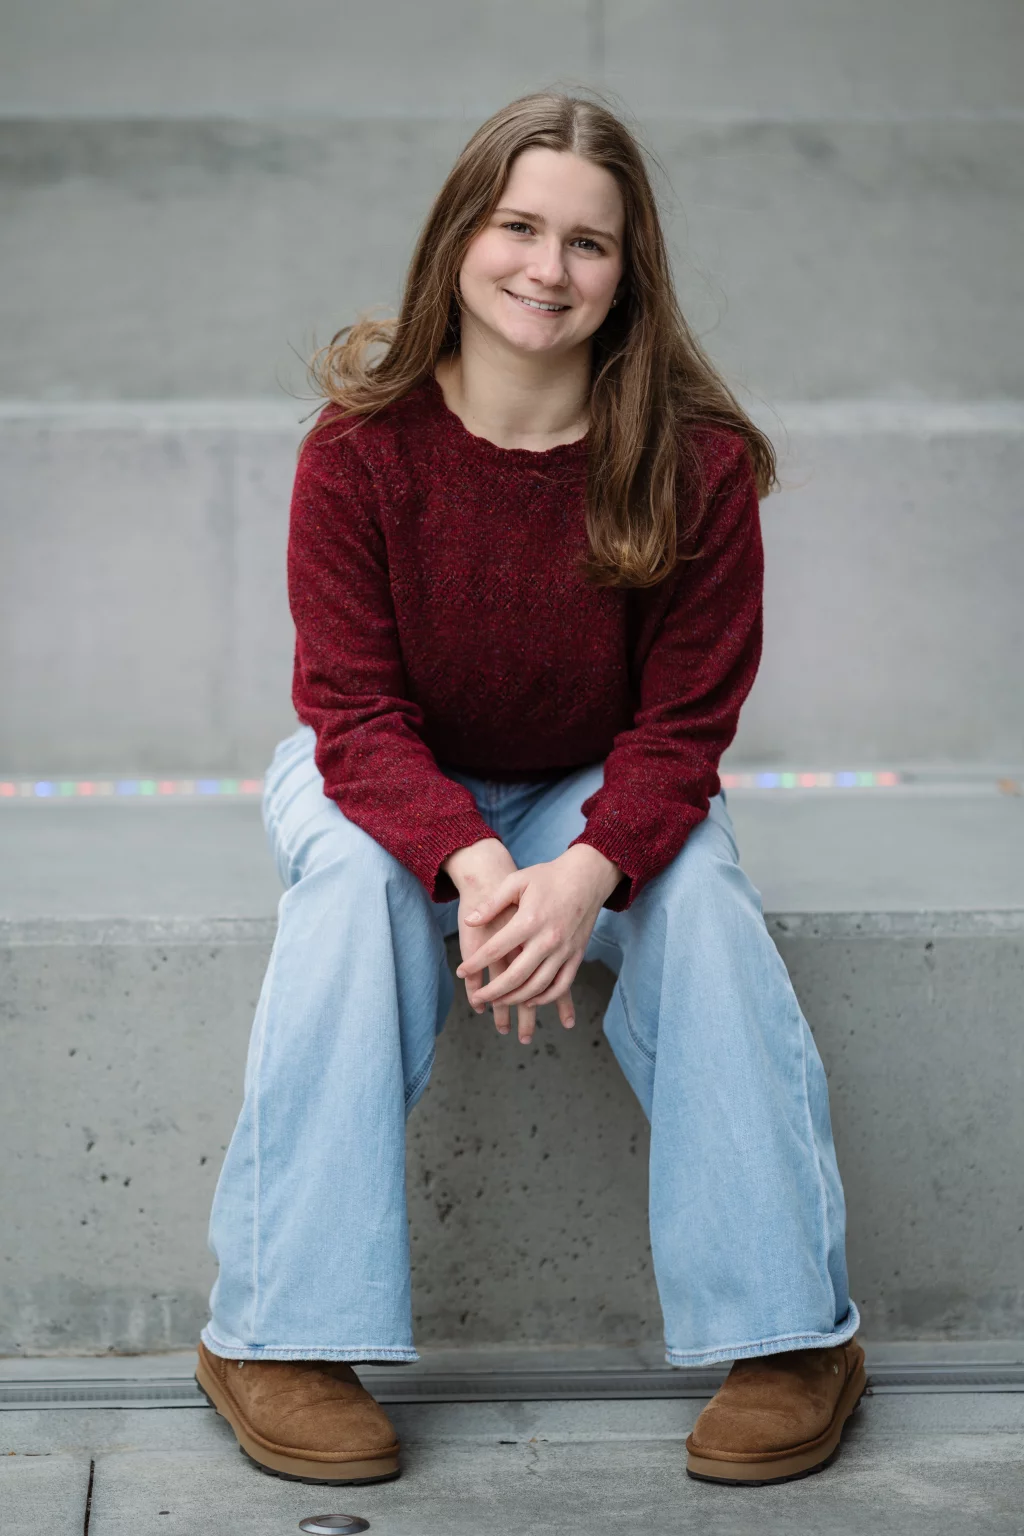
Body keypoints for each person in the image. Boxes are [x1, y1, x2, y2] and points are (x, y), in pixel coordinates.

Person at [194, 91, 865, 1489]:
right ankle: (276, 1334)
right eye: (517, 226)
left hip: (592, 780)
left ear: (632, 273)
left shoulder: (694, 464)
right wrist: (472, 866)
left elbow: (685, 729)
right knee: (349, 895)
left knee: (707, 900)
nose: (546, 270)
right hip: (385, 769)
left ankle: (794, 1332)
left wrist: (587, 869)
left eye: (589, 243)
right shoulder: (361, 450)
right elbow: (353, 714)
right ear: (459, 236)